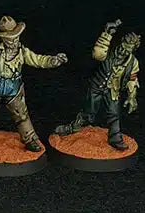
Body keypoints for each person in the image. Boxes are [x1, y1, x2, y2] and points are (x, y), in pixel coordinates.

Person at [0, 16, 67, 151]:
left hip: (13, 88)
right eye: (9, 38)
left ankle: (30, 139)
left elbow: (38, 60)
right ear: (3, 38)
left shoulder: (22, 52)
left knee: (21, 115)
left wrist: (53, 61)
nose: (13, 41)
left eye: (15, 37)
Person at [54, 19, 140, 150]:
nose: (123, 52)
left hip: (113, 90)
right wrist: (107, 34)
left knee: (114, 114)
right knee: (88, 113)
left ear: (132, 50)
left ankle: (115, 138)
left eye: (127, 50)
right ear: (121, 42)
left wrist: (132, 97)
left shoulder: (133, 63)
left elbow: (132, 80)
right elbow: (98, 54)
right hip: (96, 86)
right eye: (122, 47)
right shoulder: (109, 51)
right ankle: (73, 128)